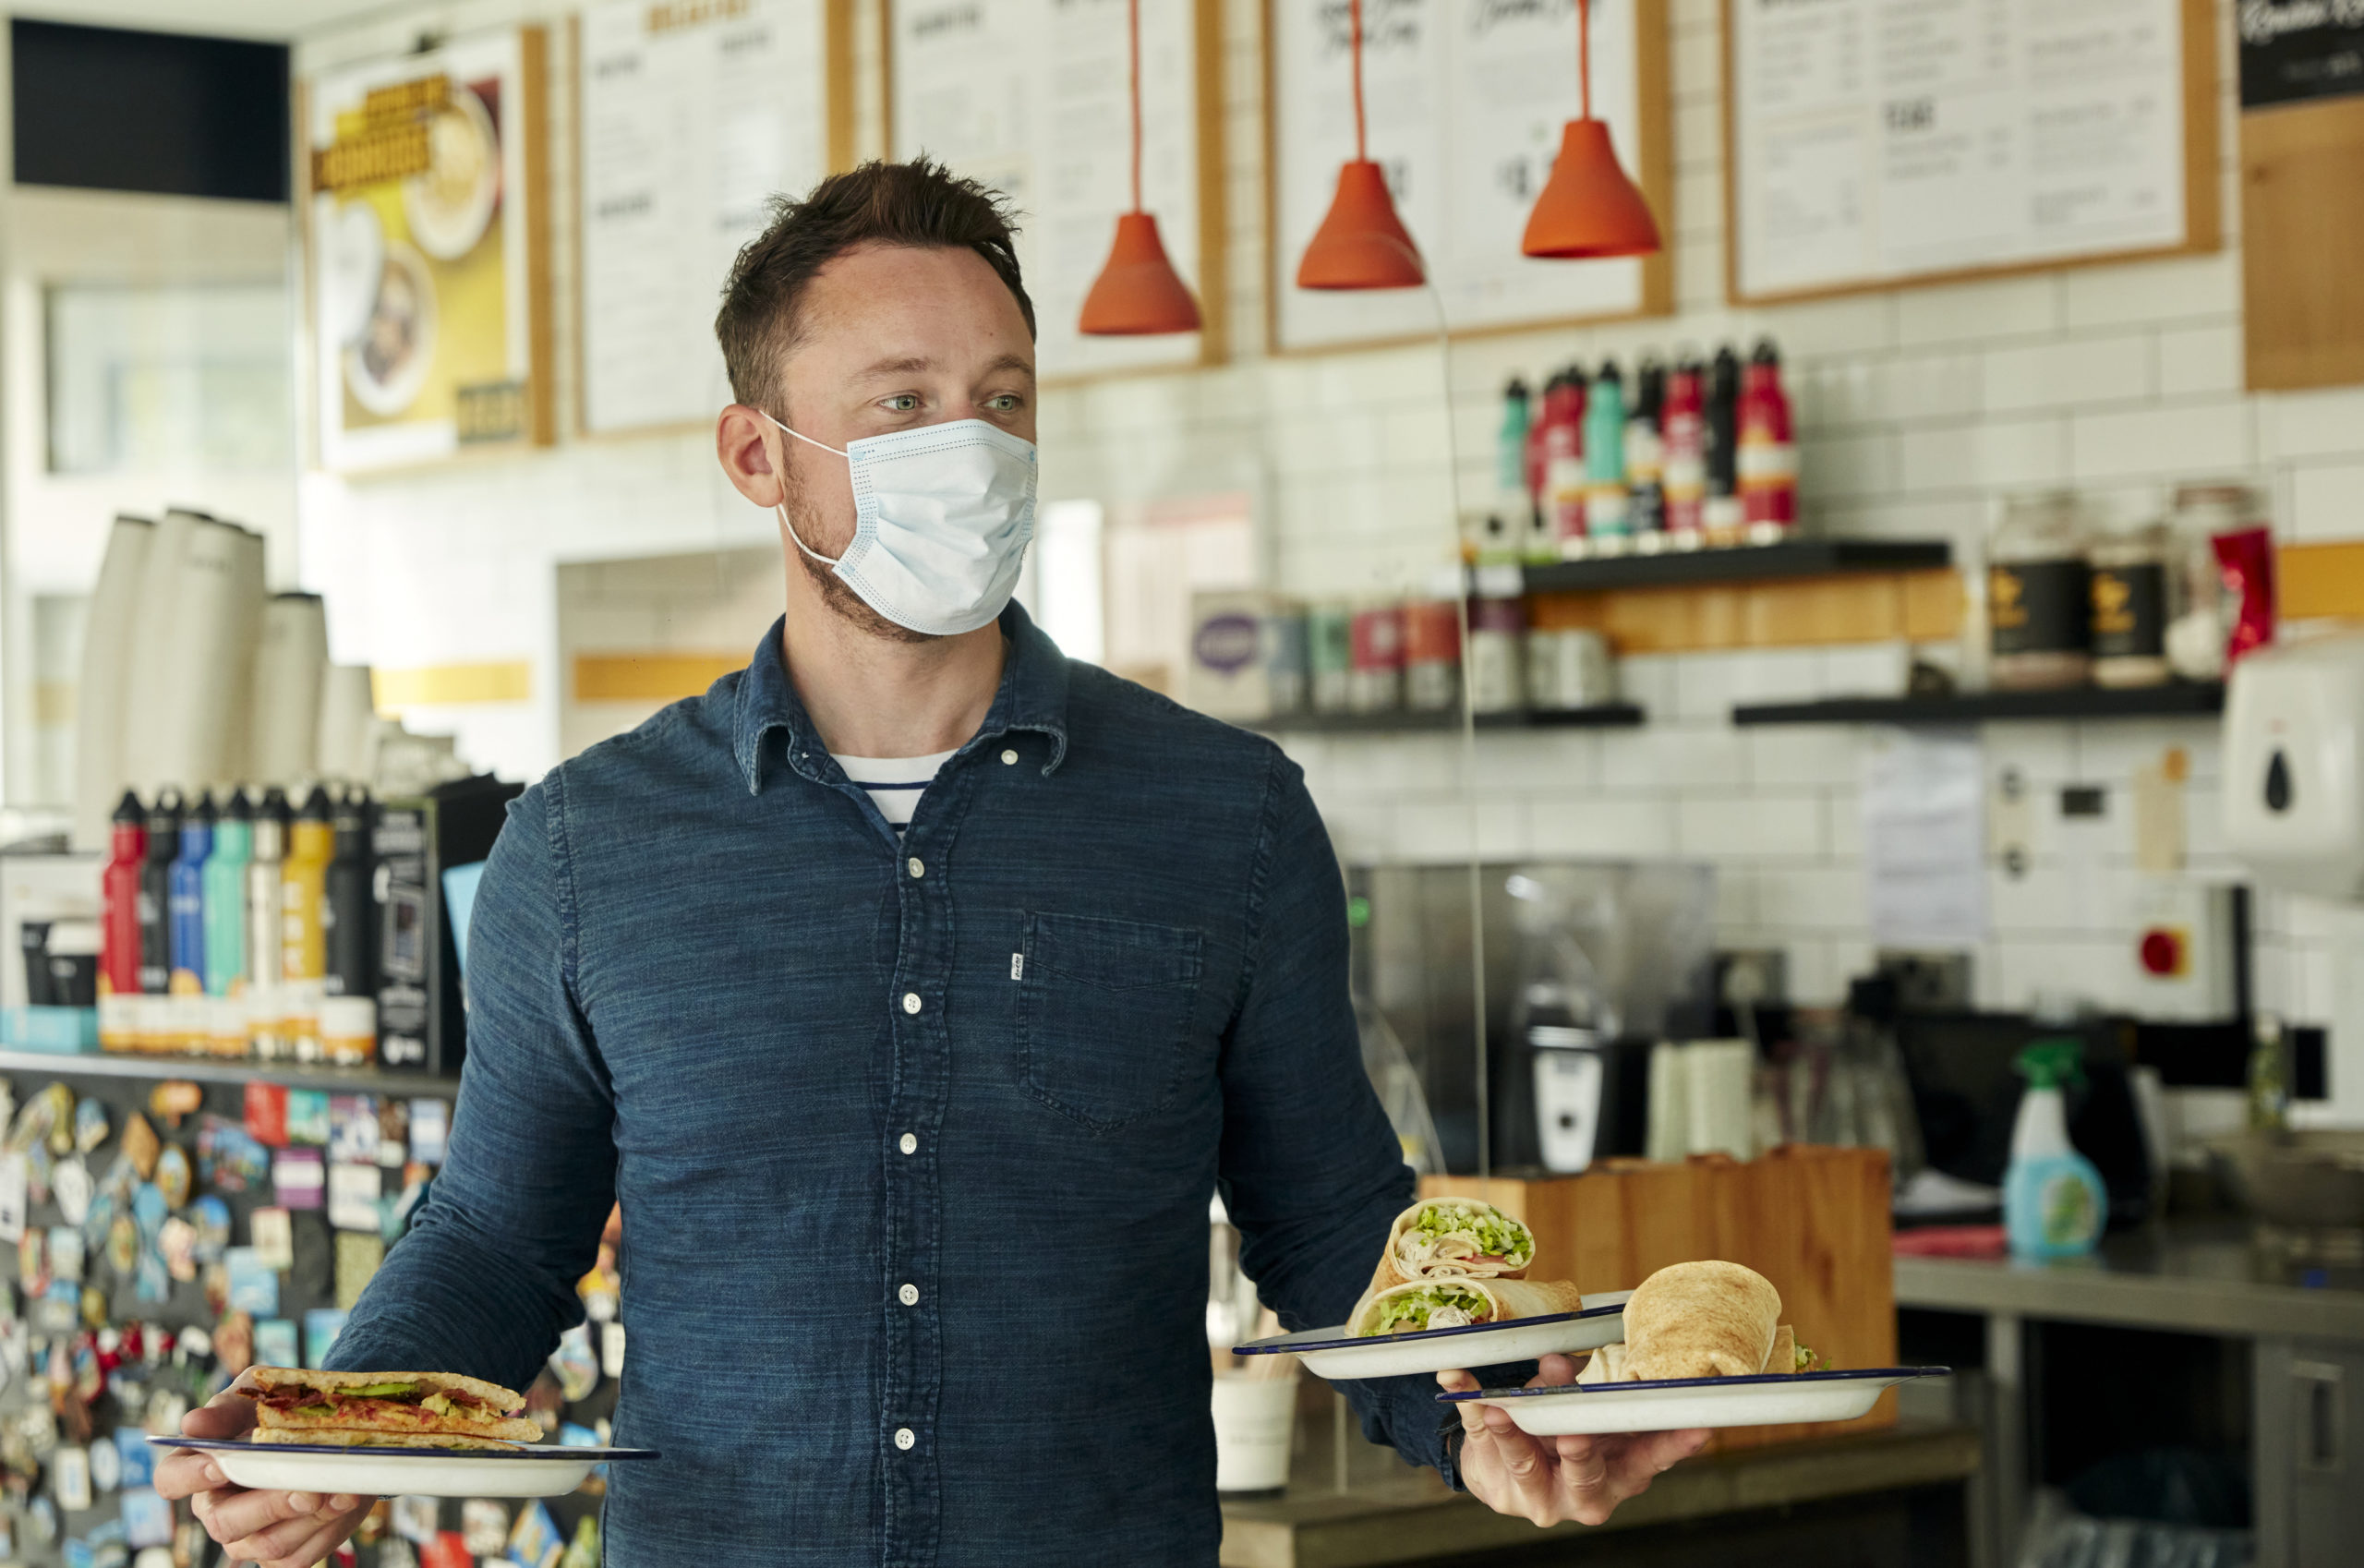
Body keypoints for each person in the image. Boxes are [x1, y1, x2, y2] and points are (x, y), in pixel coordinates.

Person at [158, 159, 1702, 1567]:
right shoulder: (583, 845)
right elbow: (501, 1237)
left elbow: (1331, 1218)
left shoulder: (1226, 816)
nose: (969, 447)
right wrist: (331, 1423)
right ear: (757, 453)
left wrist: (1481, 1415)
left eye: (1002, 398)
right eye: (902, 402)